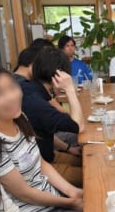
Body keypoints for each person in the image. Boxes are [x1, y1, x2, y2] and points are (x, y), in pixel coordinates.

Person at [0, 64, 83, 212]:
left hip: (54, 200)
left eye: (12, 88)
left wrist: (73, 192)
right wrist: (71, 202)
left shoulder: (19, 117)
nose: (11, 96)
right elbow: (25, 194)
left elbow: (41, 162)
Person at [20, 48, 84, 187]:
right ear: (59, 76)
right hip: (41, 169)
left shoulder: (31, 89)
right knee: (91, 175)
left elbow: (43, 131)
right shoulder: (37, 102)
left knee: (87, 160)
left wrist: (69, 149)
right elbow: (79, 126)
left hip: (48, 155)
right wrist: (70, 89)